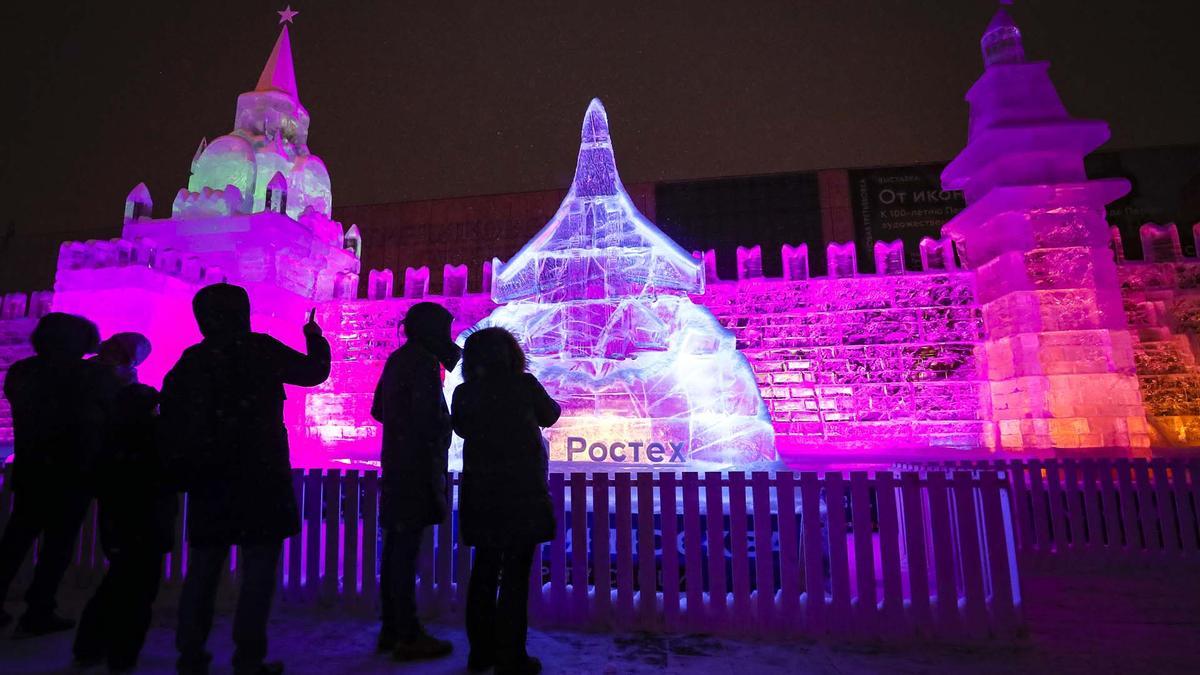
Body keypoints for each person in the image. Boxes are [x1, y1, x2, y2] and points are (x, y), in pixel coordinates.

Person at [160, 284, 329, 675]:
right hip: (260, 477)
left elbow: (171, 412)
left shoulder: (194, 360)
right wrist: (316, 341)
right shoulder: (259, 350)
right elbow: (312, 372)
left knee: (203, 571)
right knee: (258, 573)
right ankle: (248, 657)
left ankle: (191, 654)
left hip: (212, 480)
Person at [451, 327, 560, 675]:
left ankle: (480, 652)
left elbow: (462, 428)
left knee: (483, 572)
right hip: (520, 493)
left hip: (482, 493)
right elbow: (551, 414)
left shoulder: (466, 392)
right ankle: (512, 654)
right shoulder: (524, 385)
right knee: (515, 577)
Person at [0, 312, 118, 635]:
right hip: (73, 471)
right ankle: (39, 610)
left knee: (16, 538)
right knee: (58, 545)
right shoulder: (90, 376)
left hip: (31, 467)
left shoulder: (22, 372)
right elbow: (110, 410)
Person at [371, 302, 460, 661]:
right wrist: (443, 428)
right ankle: (406, 633)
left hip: (399, 466)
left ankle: (393, 629)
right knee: (404, 553)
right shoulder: (420, 363)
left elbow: (379, 409)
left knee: (397, 552)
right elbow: (426, 418)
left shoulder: (400, 360)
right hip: (415, 469)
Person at [73, 383, 177, 673]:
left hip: (119, 524)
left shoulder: (110, 438)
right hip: (147, 525)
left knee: (117, 584)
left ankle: (91, 645)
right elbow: (169, 475)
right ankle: (122, 655)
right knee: (138, 593)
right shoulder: (152, 438)